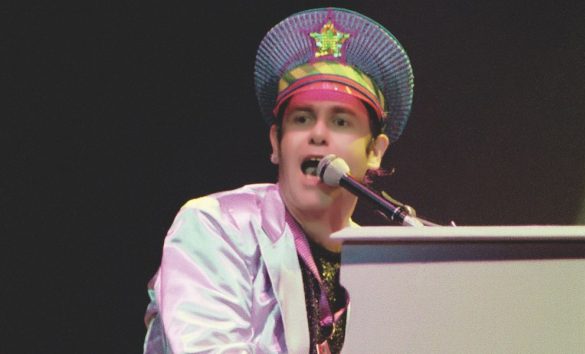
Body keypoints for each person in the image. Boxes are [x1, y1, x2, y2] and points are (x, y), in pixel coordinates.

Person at [143, 7, 414, 354]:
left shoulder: (389, 267)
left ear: (375, 151)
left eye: (341, 122)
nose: (318, 134)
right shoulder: (217, 226)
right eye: (302, 119)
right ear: (276, 143)